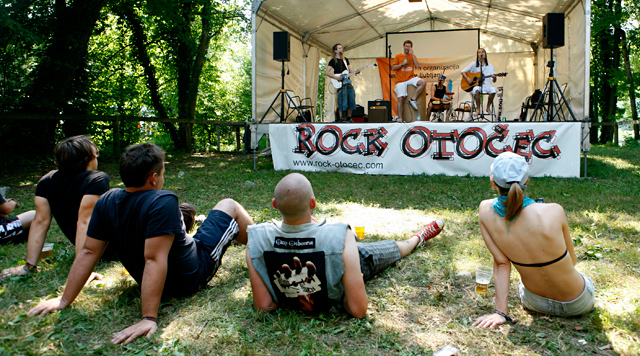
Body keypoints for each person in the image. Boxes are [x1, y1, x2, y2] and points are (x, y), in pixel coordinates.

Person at [27, 143, 255, 345]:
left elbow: (88, 251)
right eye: (163, 172)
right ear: (154, 178)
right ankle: (260, 245)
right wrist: (148, 318)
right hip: (191, 276)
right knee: (229, 205)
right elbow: (153, 259)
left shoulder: (106, 200)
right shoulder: (163, 200)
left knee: (191, 226)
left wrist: (64, 299)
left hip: (158, 274)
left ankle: (238, 237)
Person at [246, 173, 444, 317]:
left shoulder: (255, 238)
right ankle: (417, 239)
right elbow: (358, 310)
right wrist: (349, 287)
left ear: (274, 204)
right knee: (392, 248)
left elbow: (263, 305)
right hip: (343, 254)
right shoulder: (341, 235)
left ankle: (418, 238)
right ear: (313, 203)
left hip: (323, 249)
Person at [473, 152, 594, 328]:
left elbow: (501, 264)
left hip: (535, 303)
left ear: (493, 182)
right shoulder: (554, 211)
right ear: (527, 181)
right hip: (578, 303)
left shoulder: (485, 210)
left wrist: (500, 312)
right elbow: (572, 261)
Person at [2, 135, 112, 277]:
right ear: (87, 159)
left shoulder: (47, 180)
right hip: (113, 248)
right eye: (96, 154)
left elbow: (40, 222)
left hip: (96, 249)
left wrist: (28, 266)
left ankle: (30, 268)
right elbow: (85, 222)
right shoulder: (96, 179)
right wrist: (83, 271)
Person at [392, 40, 425, 122]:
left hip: (410, 78)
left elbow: (417, 66)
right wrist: (402, 64)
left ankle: (413, 99)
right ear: (403, 46)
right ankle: (400, 117)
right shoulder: (398, 56)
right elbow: (393, 68)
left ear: (411, 47)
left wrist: (413, 54)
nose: (407, 48)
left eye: (409, 46)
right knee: (400, 98)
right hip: (400, 80)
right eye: (406, 46)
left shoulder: (412, 56)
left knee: (423, 82)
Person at [325, 43, 360, 122]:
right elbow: (327, 72)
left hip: (347, 82)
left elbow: (350, 71)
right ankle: (340, 117)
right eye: (339, 48)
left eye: (342, 48)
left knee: (351, 98)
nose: (341, 49)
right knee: (341, 100)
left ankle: (349, 117)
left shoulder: (345, 60)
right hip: (340, 82)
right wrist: (336, 77)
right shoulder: (333, 60)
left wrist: (356, 72)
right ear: (335, 50)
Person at [461, 48, 497, 115]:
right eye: (479, 52)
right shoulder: (474, 64)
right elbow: (463, 71)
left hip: (487, 85)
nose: (481, 53)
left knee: (493, 90)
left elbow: (493, 81)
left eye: (483, 52)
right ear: (477, 55)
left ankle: (488, 108)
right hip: (477, 85)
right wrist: (468, 78)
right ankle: (478, 109)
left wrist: (494, 77)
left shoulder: (490, 66)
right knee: (477, 90)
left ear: (485, 54)